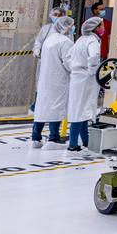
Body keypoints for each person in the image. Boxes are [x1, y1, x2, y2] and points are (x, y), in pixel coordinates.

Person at [32, 15, 74, 148]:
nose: (72, 28)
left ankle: (36, 138)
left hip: (45, 80)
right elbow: (68, 63)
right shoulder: (66, 42)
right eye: (71, 26)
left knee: (41, 108)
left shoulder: (50, 40)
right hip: (58, 80)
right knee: (56, 108)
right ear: (66, 27)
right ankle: (53, 138)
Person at [63, 16, 103, 153]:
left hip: (76, 77)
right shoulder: (92, 41)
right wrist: (93, 72)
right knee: (80, 112)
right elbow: (94, 57)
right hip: (86, 79)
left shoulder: (80, 40)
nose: (103, 28)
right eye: (101, 26)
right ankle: (73, 144)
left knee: (81, 110)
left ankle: (86, 142)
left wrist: (74, 68)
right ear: (96, 28)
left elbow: (67, 57)